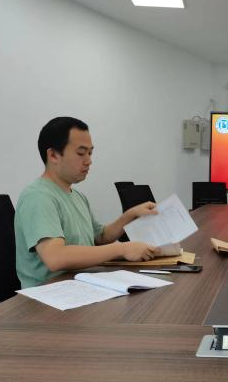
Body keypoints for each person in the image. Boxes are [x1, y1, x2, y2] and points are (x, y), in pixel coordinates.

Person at [15, 117, 159, 288]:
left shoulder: (77, 196)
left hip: (80, 285)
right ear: (53, 155)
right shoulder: (38, 196)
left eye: (90, 153)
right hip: (47, 295)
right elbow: (55, 257)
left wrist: (130, 215)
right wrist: (122, 249)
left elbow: (100, 237)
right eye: (81, 153)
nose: (89, 161)